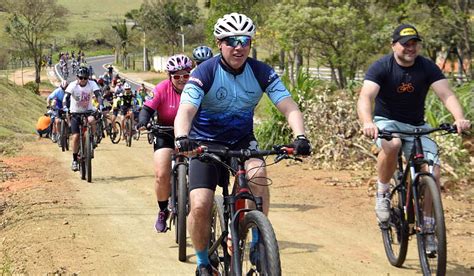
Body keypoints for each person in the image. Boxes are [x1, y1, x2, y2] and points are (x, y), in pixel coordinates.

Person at [173, 13, 311, 275]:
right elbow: (186, 110)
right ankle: (203, 263)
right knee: (200, 203)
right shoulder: (205, 72)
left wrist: (300, 137)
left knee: (258, 173)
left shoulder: (261, 72)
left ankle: (258, 242)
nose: (239, 47)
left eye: (244, 40)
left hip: (242, 140)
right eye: (231, 41)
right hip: (205, 143)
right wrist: (182, 138)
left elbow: (289, 106)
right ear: (219, 43)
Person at [357, 24, 470, 251]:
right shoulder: (381, 67)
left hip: (418, 125)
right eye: (405, 43)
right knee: (393, 144)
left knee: (433, 171)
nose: (410, 48)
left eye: (414, 43)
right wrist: (368, 122)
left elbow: (446, 94)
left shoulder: (426, 67)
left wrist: (459, 118)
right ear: (394, 45)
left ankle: (428, 227)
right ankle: (382, 193)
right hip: (386, 122)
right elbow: (365, 97)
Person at [136, 54, 193, 232]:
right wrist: (143, 121)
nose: (182, 80)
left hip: (191, 134)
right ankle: (162, 211)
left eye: (186, 75)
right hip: (165, 133)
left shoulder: (197, 88)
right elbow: (147, 109)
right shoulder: (161, 88)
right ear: (170, 77)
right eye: (177, 76)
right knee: (162, 174)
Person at [63, 67, 101, 171]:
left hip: (88, 111)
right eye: (81, 78)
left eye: (85, 78)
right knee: (75, 137)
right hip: (75, 112)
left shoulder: (92, 84)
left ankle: (92, 140)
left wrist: (100, 105)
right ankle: (74, 160)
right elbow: (66, 97)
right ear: (77, 77)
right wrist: (65, 107)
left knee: (92, 120)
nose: (83, 80)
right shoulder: (72, 85)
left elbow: (98, 95)